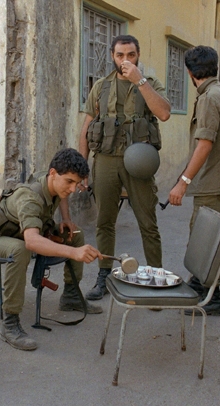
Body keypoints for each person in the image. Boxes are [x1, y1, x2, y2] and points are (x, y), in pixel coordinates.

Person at [0, 148, 104, 351]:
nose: (73, 189)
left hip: (23, 231)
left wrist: (66, 219)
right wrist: (73, 253)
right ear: (53, 173)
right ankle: (10, 324)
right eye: (69, 182)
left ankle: (71, 296)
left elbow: (61, 194)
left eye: (77, 183)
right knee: (20, 249)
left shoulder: (52, 179)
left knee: (75, 235)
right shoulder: (30, 198)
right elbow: (32, 242)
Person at [78, 34, 171, 301]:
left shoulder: (149, 83)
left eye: (131, 54)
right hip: (106, 159)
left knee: (147, 222)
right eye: (120, 55)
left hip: (138, 161)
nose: (125, 60)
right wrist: (82, 168)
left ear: (138, 55)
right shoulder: (101, 86)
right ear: (112, 56)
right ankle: (104, 275)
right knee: (104, 221)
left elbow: (164, 113)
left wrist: (139, 81)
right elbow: (86, 128)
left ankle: (156, 277)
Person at [167, 45, 220, 316]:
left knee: (205, 240)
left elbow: (205, 144)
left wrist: (183, 182)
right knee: (203, 235)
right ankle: (199, 285)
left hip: (213, 180)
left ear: (189, 72)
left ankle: (211, 298)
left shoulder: (209, 97)